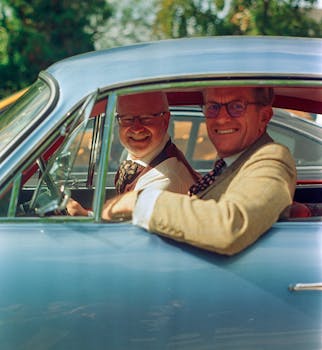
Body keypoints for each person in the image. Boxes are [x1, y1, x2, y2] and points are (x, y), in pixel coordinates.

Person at [102, 87, 297, 256]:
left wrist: (138, 200)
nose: (221, 118)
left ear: (264, 116)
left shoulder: (272, 157)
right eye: (213, 107)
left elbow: (230, 227)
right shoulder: (230, 164)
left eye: (237, 106)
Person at [67, 91, 199, 216]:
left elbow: (130, 233)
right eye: (128, 119)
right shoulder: (143, 152)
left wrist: (84, 215)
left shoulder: (165, 179)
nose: (136, 129)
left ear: (165, 120)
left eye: (146, 118)